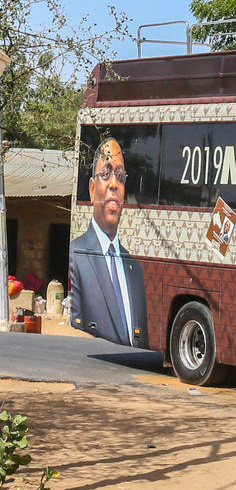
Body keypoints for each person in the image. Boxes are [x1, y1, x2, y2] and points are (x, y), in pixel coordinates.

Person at [68, 138, 149, 348]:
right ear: (92, 189)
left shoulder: (135, 270)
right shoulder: (77, 255)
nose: (114, 183)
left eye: (120, 176)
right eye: (106, 174)